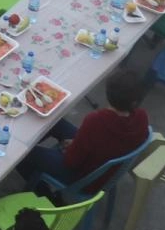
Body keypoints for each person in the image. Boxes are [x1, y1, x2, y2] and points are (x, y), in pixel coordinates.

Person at [18, 67, 149, 192]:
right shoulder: (141, 117)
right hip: (104, 165)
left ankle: (44, 193)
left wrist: (72, 148)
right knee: (56, 123)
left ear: (108, 94)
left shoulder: (96, 121)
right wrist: (77, 144)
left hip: (84, 177)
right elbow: (109, 142)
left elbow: (71, 162)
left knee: (22, 155)